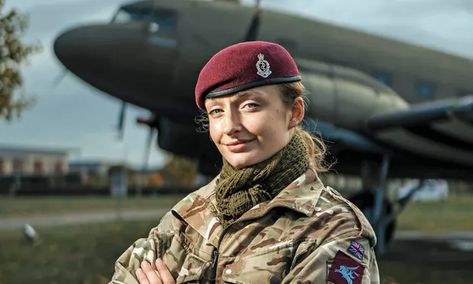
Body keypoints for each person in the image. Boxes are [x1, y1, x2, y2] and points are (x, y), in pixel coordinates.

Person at [110, 41, 379, 284]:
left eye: (250, 105)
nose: (230, 126)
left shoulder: (334, 230)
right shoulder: (190, 213)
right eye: (216, 111)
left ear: (294, 113)